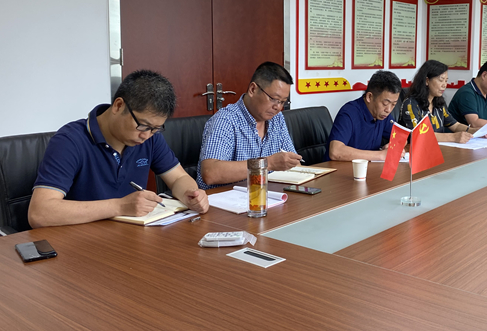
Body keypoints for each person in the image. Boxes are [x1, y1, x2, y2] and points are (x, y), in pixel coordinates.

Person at [28, 70, 209, 228]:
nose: (146, 135)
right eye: (143, 126)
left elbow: (178, 178)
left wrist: (190, 194)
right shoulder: (70, 141)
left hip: (130, 237)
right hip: (82, 241)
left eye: (155, 129)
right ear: (118, 106)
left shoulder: (150, 138)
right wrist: (120, 206)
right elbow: (39, 213)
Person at [197, 62, 302, 189]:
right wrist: (268, 163)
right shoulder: (225, 120)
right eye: (274, 99)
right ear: (253, 89)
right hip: (225, 197)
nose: (278, 107)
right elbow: (210, 173)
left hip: (265, 194)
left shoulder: (277, 118)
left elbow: (294, 164)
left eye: (282, 102)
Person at [326, 70, 402, 161]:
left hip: (368, 168)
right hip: (337, 169)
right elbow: (335, 152)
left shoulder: (383, 115)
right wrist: (381, 155)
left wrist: (394, 145)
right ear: (369, 97)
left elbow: (401, 137)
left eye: (393, 104)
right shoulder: (349, 113)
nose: (388, 110)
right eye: (385, 103)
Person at [399, 60, 475, 144]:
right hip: (417, 149)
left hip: (438, 148)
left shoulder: (439, 102)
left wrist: (476, 132)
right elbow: (417, 134)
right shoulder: (410, 104)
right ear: (427, 81)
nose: (444, 85)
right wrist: (453, 137)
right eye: (441, 80)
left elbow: (456, 126)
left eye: (446, 81)